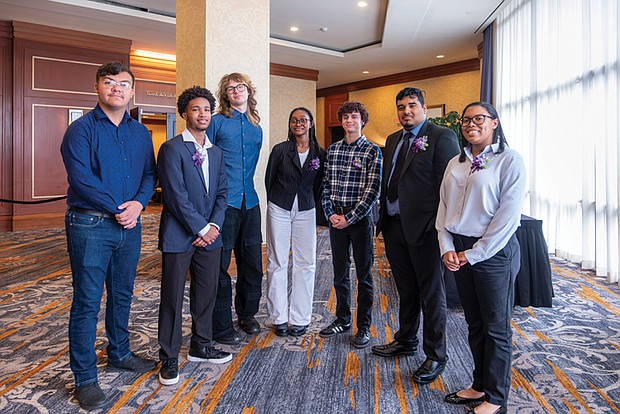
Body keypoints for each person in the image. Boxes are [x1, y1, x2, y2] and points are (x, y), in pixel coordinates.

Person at [60, 62, 157, 410]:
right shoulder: (80, 130)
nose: (117, 88)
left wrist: (140, 204)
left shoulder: (141, 133)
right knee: (87, 301)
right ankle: (85, 378)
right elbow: (81, 179)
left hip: (130, 225)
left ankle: (119, 353)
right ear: (97, 88)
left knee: (122, 294)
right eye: (109, 82)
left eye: (124, 84)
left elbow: (149, 174)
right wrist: (121, 207)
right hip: (90, 225)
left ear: (132, 91)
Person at [437, 102, 526, 414]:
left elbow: (507, 218)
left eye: (479, 118)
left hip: (493, 252)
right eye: (466, 120)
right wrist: (447, 246)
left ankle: (497, 397)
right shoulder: (456, 162)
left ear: (494, 122)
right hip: (458, 248)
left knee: (496, 326)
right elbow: (443, 209)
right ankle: (479, 385)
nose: (470, 124)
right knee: (474, 323)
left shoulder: (509, 160)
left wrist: (472, 254)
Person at [372, 87, 459, 384]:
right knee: (405, 290)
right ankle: (406, 339)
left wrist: (437, 227)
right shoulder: (394, 139)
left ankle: (436, 355)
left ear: (423, 108)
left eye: (411, 105)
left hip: (425, 229)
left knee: (432, 294)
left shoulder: (441, 136)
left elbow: (449, 187)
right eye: (400, 107)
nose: (405, 111)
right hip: (394, 225)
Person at [156, 86, 232, 386]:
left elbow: (222, 194)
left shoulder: (216, 151)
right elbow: (175, 195)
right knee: (172, 297)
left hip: (210, 237)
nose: (202, 114)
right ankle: (169, 357)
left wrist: (213, 227)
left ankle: (201, 344)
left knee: (206, 292)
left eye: (206, 110)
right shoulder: (172, 148)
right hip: (179, 235)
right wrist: (201, 228)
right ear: (184, 113)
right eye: (196, 109)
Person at [319, 101, 382, 348]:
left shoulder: (372, 151)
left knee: (365, 275)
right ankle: (343, 319)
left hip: (360, 221)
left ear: (362, 120)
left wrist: (349, 218)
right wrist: (331, 213)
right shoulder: (333, 150)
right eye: (345, 117)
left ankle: (363, 326)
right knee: (340, 273)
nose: (349, 121)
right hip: (336, 220)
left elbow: (373, 191)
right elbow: (325, 185)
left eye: (354, 117)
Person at [206, 73, 263, 344]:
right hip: (223, 204)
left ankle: (247, 314)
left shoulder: (256, 128)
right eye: (230, 89)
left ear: (248, 91)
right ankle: (220, 322)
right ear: (225, 95)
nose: (236, 91)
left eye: (240, 87)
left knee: (251, 263)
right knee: (219, 265)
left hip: (250, 202)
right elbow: (204, 162)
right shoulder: (216, 123)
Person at [265, 107, 327, 337]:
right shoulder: (280, 150)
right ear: (290, 125)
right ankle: (278, 317)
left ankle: (300, 318)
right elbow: (269, 180)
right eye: (294, 120)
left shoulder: (320, 154)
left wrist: (308, 201)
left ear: (311, 124)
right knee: (277, 260)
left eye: (303, 120)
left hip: (306, 209)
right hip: (279, 207)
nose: (298, 123)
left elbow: (319, 184)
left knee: (306, 262)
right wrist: (276, 202)